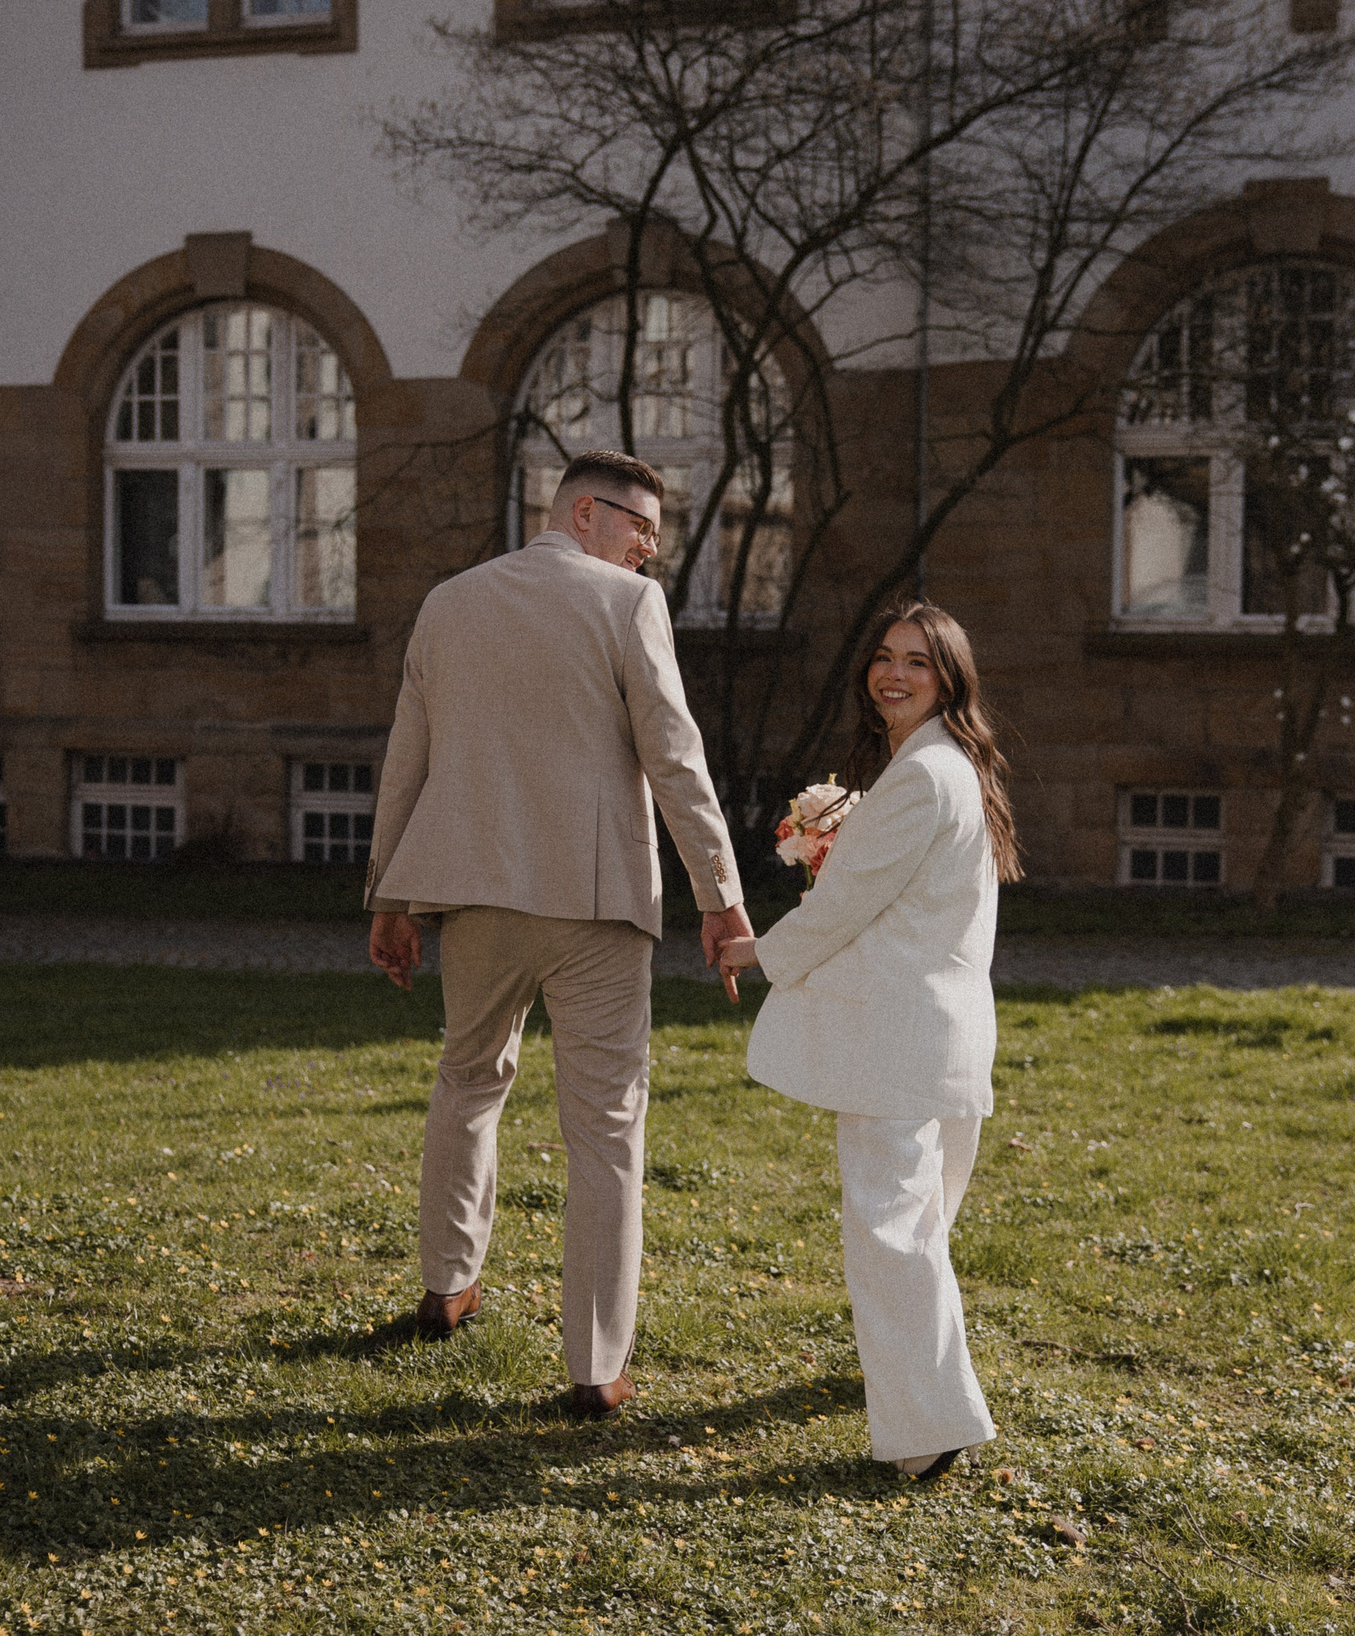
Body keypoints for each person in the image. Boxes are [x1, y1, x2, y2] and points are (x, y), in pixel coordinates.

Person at [364, 449, 752, 1419]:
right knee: (608, 1131)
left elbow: (405, 757)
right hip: (593, 904)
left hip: (474, 894)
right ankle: (594, 1369)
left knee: (467, 1079)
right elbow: (673, 752)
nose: (648, 553)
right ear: (585, 512)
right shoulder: (625, 607)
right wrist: (720, 893)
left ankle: (448, 1287)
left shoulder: (448, 603)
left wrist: (389, 895)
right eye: (640, 531)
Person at [717, 602, 1020, 1481]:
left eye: (918, 663)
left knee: (891, 1229)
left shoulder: (925, 774)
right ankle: (909, 1380)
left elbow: (846, 904)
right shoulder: (949, 763)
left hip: (899, 1035)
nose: (894, 674)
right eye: (884, 657)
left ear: (949, 678)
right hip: (941, 1032)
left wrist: (757, 949)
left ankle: (929, 1427)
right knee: (918, 1220)